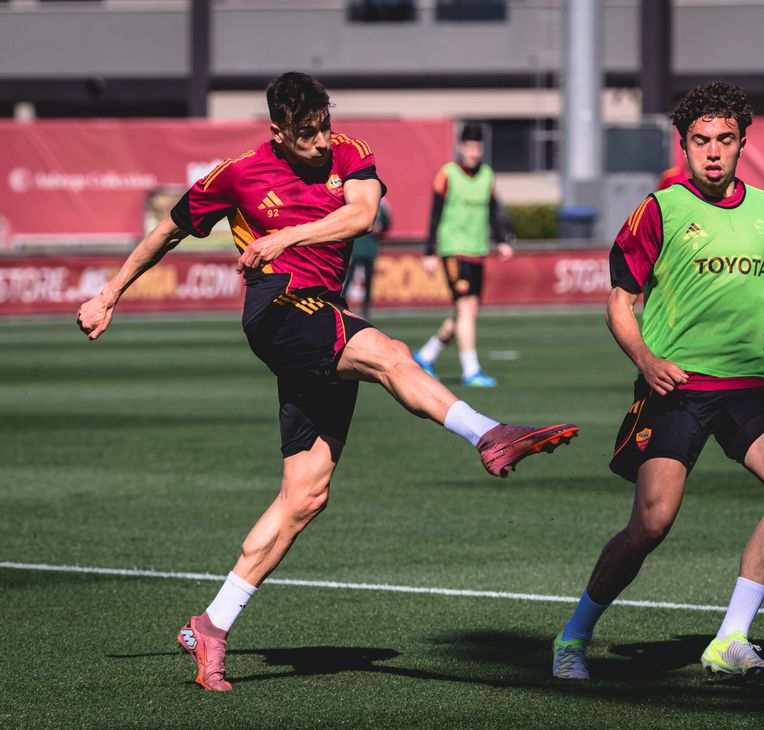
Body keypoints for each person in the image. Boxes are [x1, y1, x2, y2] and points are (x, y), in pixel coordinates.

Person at [75, 72, 578, 692]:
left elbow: (363, 217)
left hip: (320, 310)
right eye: (305, 134)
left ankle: (212, 624)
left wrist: (287, 233)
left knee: (306, 495)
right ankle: (488, 434)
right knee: (391, 354)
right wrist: (109, 293)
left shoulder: (349, 152)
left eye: (323, 127)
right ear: (277, 132)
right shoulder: (236, 174)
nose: (319, 142)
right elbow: (168, 231)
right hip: (278, 310)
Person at [550, 82, 764, 684]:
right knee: (652, 521)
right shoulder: (660, 208)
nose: (713, 152)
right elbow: (620, 303)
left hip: (751, 384)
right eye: (701, 141)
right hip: (677, 387)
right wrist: (645, 360)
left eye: (725, 140)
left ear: (743, 143)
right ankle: (575, 634)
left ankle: (730, 639)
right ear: (685, 144)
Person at [412, 123, 514, 387]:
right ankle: (471, 371)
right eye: (469, 146)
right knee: (465, 308)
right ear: (460, 147)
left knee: (465, 314)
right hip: (453, 249)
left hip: (478, 250)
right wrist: (430, 252)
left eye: (477, 147)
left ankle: (426, 355)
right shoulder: (447, 174)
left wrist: (502, 240)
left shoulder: (488, 175)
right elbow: (435, 214)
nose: (473, 152)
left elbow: (493, 209)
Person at [344, 197, 390, 319]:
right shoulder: (355, 199)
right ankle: (341, 302)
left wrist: (380, 228)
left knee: (369, 279)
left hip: (370, 247)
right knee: (348, 277)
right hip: (356, 246)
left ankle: (366, 307)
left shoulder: (382, 204)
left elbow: (386, 223)